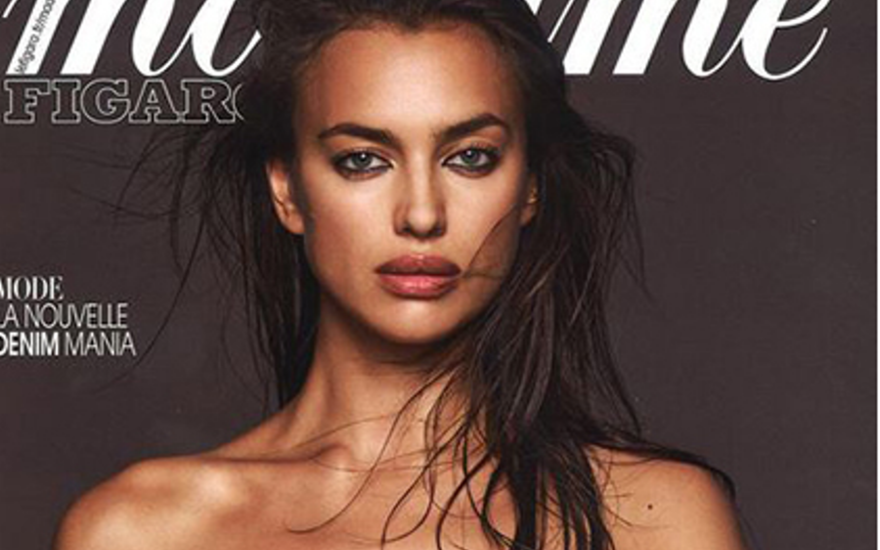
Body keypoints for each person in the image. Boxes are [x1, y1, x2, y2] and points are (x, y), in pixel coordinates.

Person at [53, 0, 749, 548]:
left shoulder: (658, 519)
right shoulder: (142, 532)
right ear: (287, 189)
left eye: (470, 157)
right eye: (363, 160)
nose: (421, 214)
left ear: (530, 186)